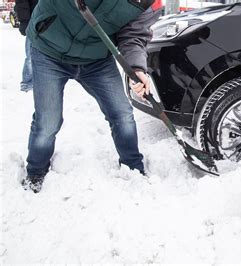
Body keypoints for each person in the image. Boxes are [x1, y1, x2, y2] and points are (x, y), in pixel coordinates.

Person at [22, 0, 162, 193]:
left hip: (96, 59)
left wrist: (136, 68)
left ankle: (133, 167)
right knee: (48, 121)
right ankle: (35, 171)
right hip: (49, 48)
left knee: (122, 113)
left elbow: (134, 35)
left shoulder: (149, 2)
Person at [15, 0, 38, 92]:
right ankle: (27, 83)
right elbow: (21, 3)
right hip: (33, 22)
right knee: (30, 55)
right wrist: (25, 22)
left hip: (50, 21)